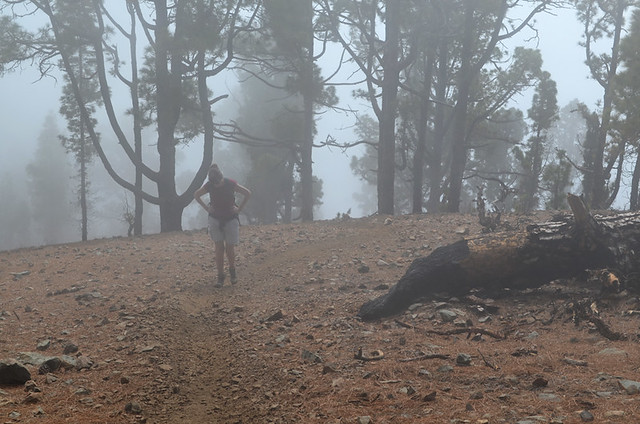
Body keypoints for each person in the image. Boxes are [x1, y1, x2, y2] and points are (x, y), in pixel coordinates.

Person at [194, 164, 251, 287]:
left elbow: (247, 193)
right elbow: (196, 195)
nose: (218, 185)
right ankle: (220, 276)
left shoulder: (230, 183)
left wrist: (239, 209)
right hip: (215, 219)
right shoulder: (209, 186)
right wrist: (207, 208)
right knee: (219, 249)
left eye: (219, 182)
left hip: (231, 218)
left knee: (230, 248)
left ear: (222, 177)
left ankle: (232, 271)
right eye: (216, 184)